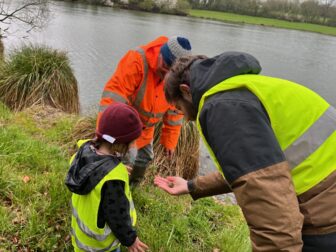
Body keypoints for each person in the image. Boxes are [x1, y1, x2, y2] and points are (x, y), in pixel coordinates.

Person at [155, 52, 336, 251]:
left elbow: (274, 221)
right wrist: (192, 186)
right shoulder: (241, 90)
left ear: (186, 91)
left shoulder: (222, 107)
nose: (187, 119)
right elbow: (253, 170)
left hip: (323, 210)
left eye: (180, 108)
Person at [98, 36, 192, 184]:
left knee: (145, 157)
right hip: (124, 128)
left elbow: (175, 111)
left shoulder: (177, 78)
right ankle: (113, 187)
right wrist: (105, 135)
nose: (167, 76)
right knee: (124, 160)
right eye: (166, 67)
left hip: (146, 131)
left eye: (172, 73)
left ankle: (133, 187)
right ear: (161, 54)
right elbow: (113, 97)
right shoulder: (136, 61)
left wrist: (169, 140)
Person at [65, 103, 149, 252]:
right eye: (132, 141)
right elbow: (117, 216)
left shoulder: (83, 150)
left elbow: (94, 169)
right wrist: (130, 240)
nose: (134, 145)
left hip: (81, 240)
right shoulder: (113, 179)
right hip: (101, 247)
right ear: (122, 144)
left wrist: (112, 164)